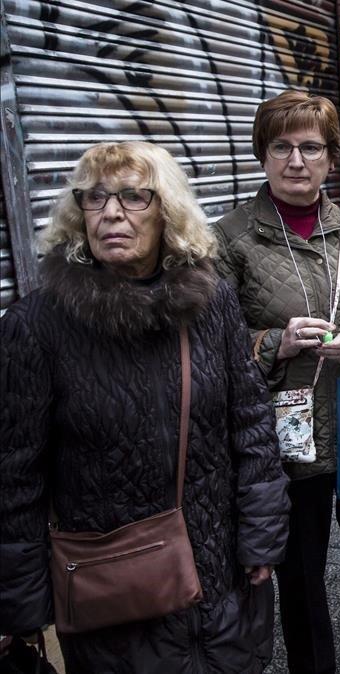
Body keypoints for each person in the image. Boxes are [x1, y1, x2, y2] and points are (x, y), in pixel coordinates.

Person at [0, 141, 289, 671]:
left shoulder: (211, 301)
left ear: (167, 213)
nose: (111, 212)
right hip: (115, 599)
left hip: (220, 579)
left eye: (134, 196)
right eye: (96, 198)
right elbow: (16, 475)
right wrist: (23, 603)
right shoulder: (35, 326)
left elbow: (250, 422)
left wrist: (261, 537)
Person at [213, 90, 340, 674]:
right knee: (300, 571)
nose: (296, 160)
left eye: (310, 147)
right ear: (263, 154)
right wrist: (276, 342)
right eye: (281, 146)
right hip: (284, 437)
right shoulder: (230, 240)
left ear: (331, 157)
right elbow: (213, 346)